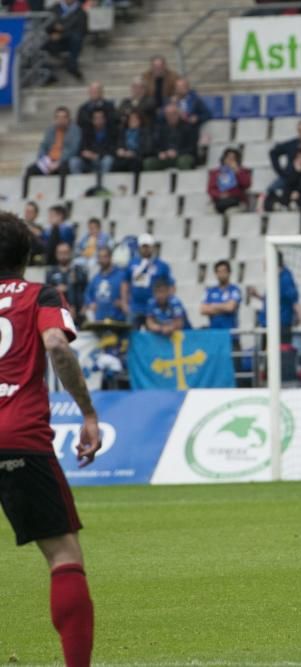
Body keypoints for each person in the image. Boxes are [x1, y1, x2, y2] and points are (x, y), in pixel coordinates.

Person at [0, 211, 101, 667]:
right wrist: (88, 412)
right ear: (27, 256)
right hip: (18, 437)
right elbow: (57, 345)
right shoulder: (39, 294)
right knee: (63, 555)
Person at [248, 255, 301, 345]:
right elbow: (274, 300)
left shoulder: (285, 279)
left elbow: (295, 302)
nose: (263, 265)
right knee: (267, 356)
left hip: (280, 327)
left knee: (280, 356)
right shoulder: (274, 278)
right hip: (268, 325)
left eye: (265, 262)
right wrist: (257, 295)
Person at [127, 234, 173, 329]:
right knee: (131, 334)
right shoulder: (132, 263)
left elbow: (170, 284)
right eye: (143, 247)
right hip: (135, 306)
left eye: (148, 247)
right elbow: (125, 283)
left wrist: (168, 301)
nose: (146, 249)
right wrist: (125, 302)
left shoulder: (161, 265)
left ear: (152, 247)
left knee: (155, 335)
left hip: (154, 306)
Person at [26, 107, 81, 177]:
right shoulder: (50, 130)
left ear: (68, 119)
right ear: (55, 119)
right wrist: (43, 160)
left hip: (64, 160)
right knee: (31, 170)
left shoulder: (75, 131)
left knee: (63, 169)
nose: (61, 120)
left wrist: (59, 162)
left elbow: (73, 150)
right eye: (58, 118)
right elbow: (43, 146)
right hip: (49, 160)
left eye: (64, 117)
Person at [143, 102, 197, 171]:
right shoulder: (161, 128)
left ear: (178, 114)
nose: (171, 116)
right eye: (168, 114)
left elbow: (192, 148)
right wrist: (159, 153)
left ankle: (185, 181)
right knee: (148, 162)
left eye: (174, 113)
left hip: (181, 156)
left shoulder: (188, 127)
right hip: (165, 157)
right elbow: (155, 146)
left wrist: (177, 152)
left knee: (183, 161)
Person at [43, 0, 86, 81]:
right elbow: (47, 26)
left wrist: (61, 34)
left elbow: (81, 30)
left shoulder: (81, 12)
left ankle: (72, 65)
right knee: (40, 44)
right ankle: (48, 75)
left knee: (76, 38)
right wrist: (55, 28)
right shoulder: (54, 9)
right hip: (53, 41)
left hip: (70, 41)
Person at [45, 242, 88, 322]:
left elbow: (87, 291)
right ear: (56, 254)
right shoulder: (51, 272)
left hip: (78, 313)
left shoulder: (79, 270)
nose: (63, 255)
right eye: (60, 253)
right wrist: (56, 289)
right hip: (57, 311)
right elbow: (46, 292)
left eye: (65, 252)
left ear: (70, 253)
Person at [85, 246, 129, 325]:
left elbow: (130, 293)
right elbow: (87, 294)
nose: (102, 260)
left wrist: (123, 302)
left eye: (105, 256)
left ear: (110, 257)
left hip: (116, 321)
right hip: (99, 320)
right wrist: (91, 303)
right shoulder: (96, 278)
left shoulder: (121, 275)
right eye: (100, 257)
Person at [70, 108, 117, 176]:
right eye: (96, 118)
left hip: (102, 159)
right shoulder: (87, 130)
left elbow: (112, 149)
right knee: (74, 161)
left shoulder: (111, 131)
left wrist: (98, 156)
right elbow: (81, 148)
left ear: (105, 119)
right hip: (88, 161)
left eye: (100, 118)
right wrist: (85, 153)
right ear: (92, 120)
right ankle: (79, 184)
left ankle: (102, 184)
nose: (98, 120)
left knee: (108, 160)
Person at [208, 147, 252, 214]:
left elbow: (246, 184)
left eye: (233, 158)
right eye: (228, 158)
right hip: (220, 202)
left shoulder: (242, 171)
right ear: (224, 159)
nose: (230, 160)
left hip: (237, 202)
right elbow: (211, 189)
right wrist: (220, 195)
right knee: (210, 211)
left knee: (231, 212)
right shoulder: (216, 173)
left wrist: (237, 172)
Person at [201, 260, 241, 330]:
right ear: (216, 274)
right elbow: (203, 310)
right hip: (215, 333)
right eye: (219, 272)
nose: (222, 274)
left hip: (230, 333)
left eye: (224, 271)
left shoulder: (234, 290)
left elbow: (230, 308)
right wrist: (224, 307)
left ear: (229, 272)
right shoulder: (210, 291)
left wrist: (213, 305)